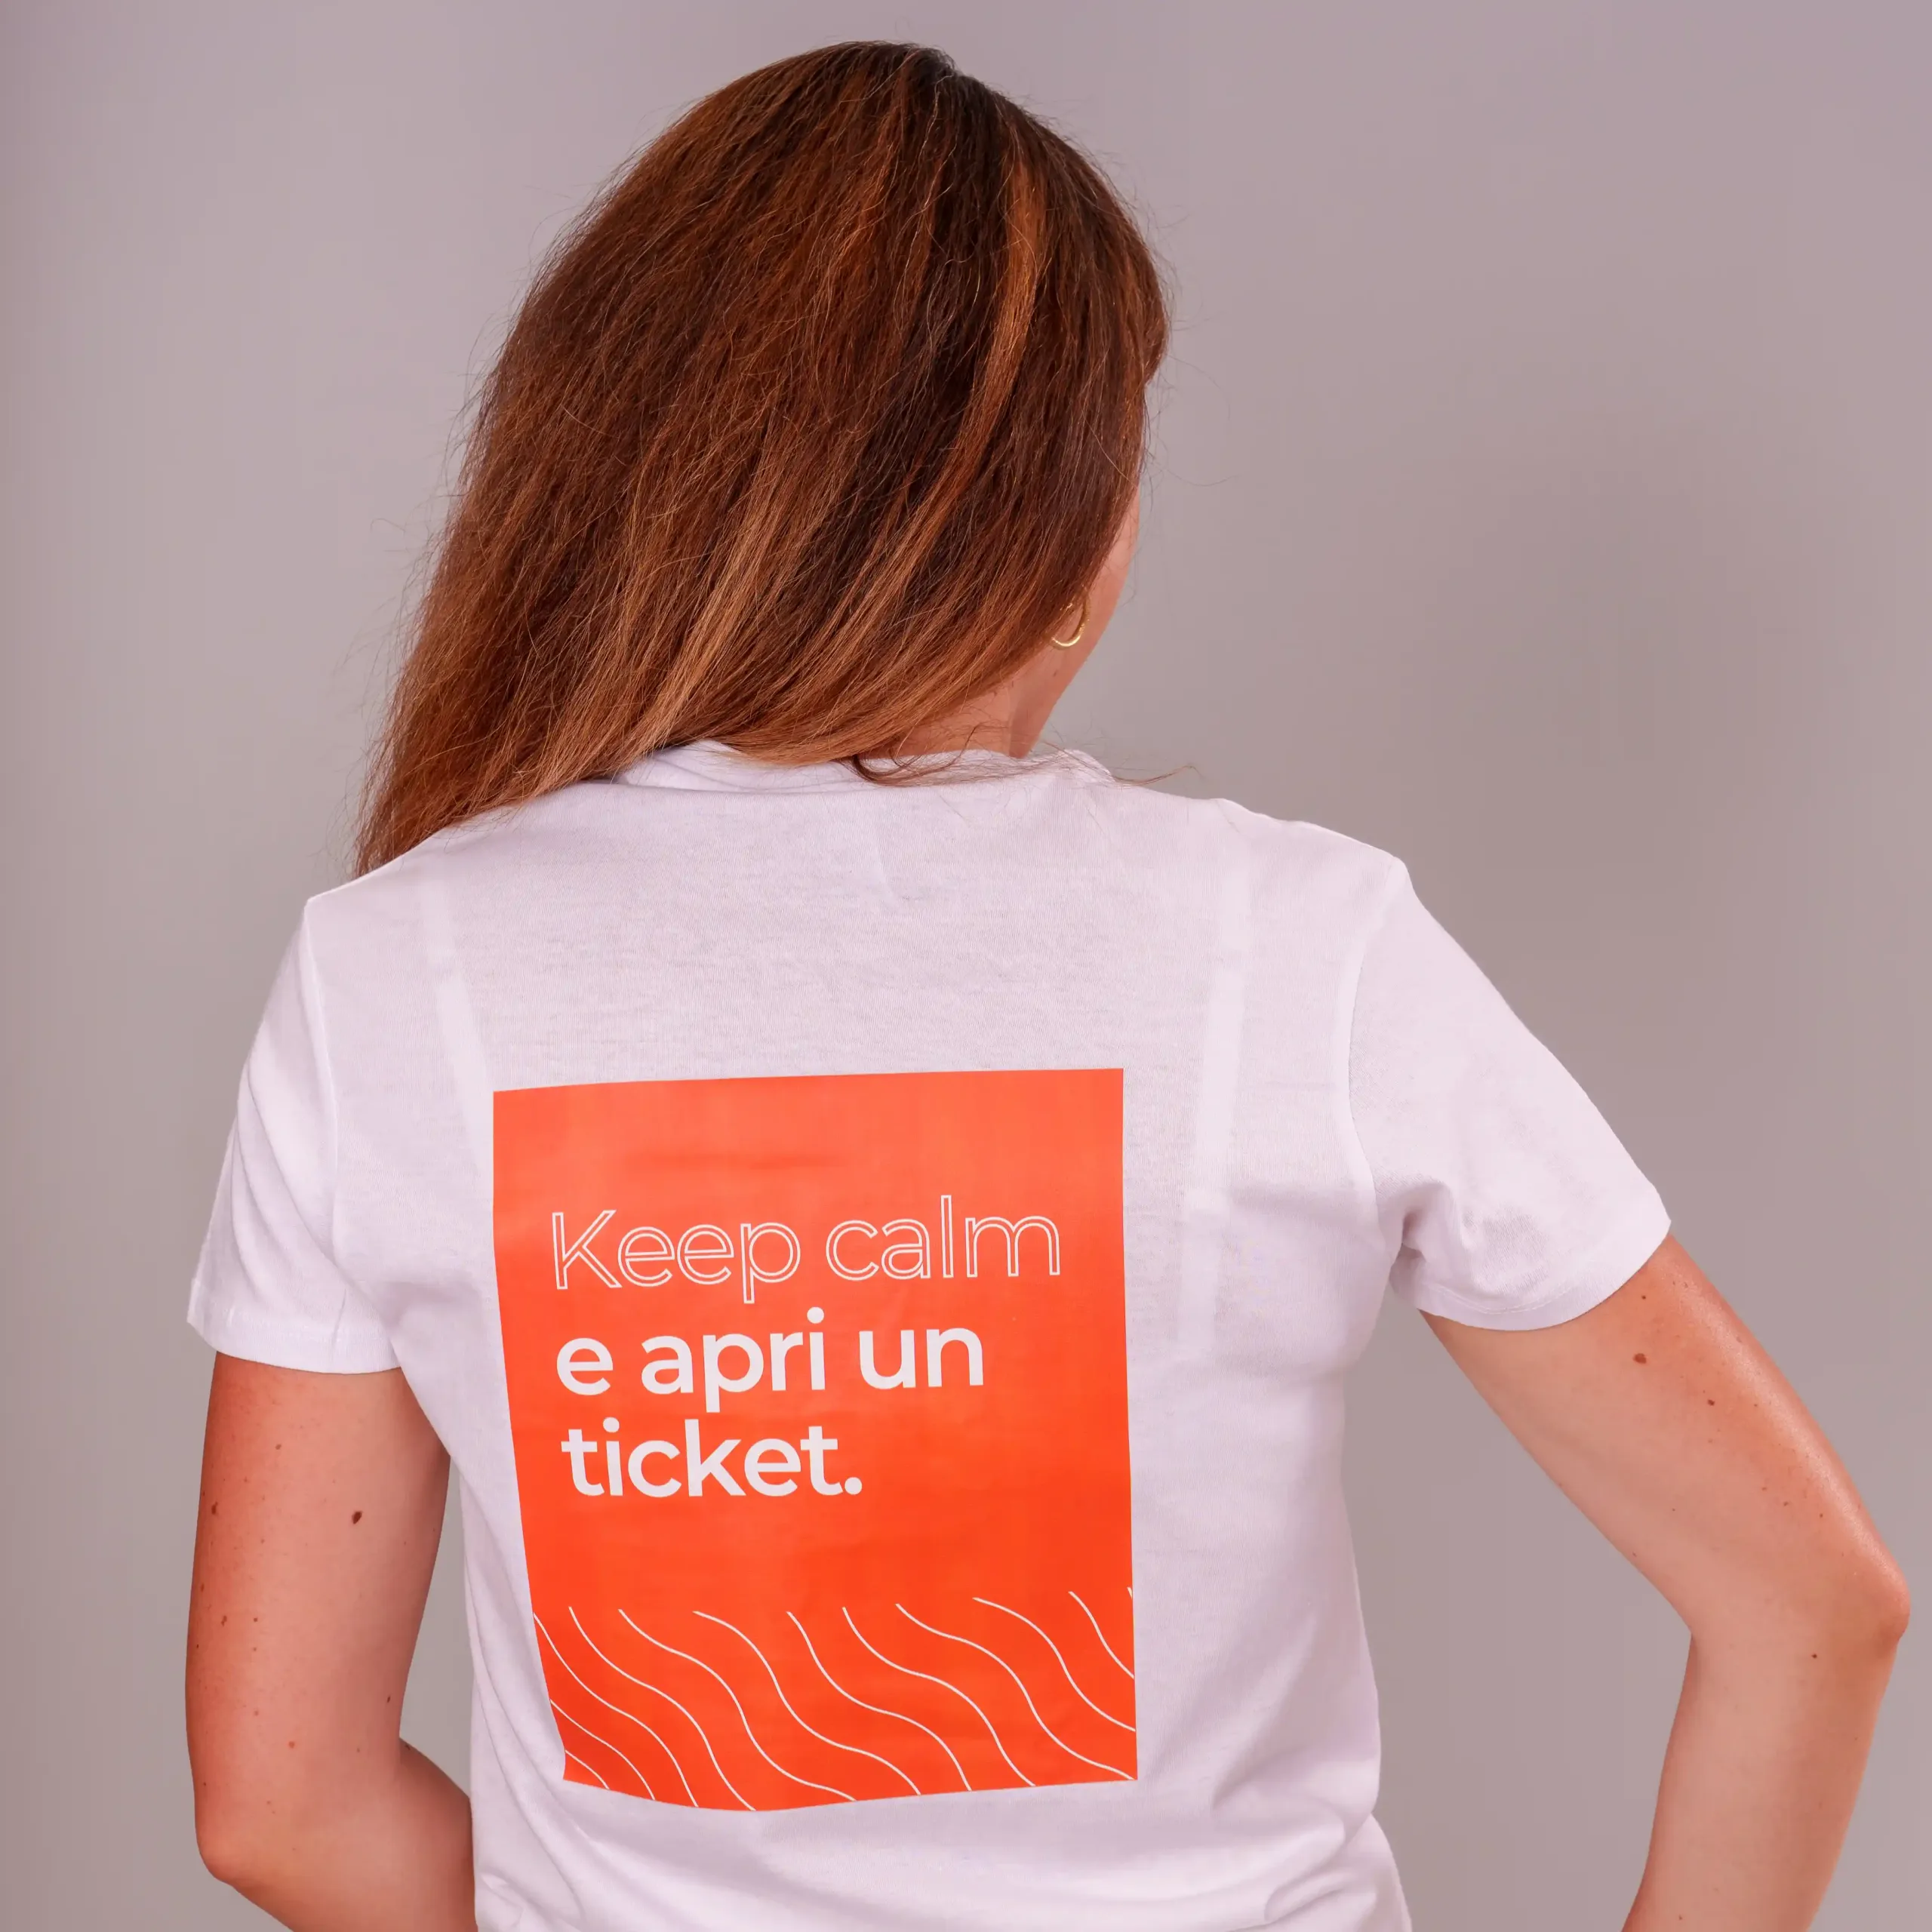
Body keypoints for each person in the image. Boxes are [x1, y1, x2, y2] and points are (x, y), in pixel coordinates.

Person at [184, 40, 1906, 1932]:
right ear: (1069, 528)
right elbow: (1810, 1601)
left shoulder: (389, 974)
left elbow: (283, 1800)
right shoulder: (1300, 946)